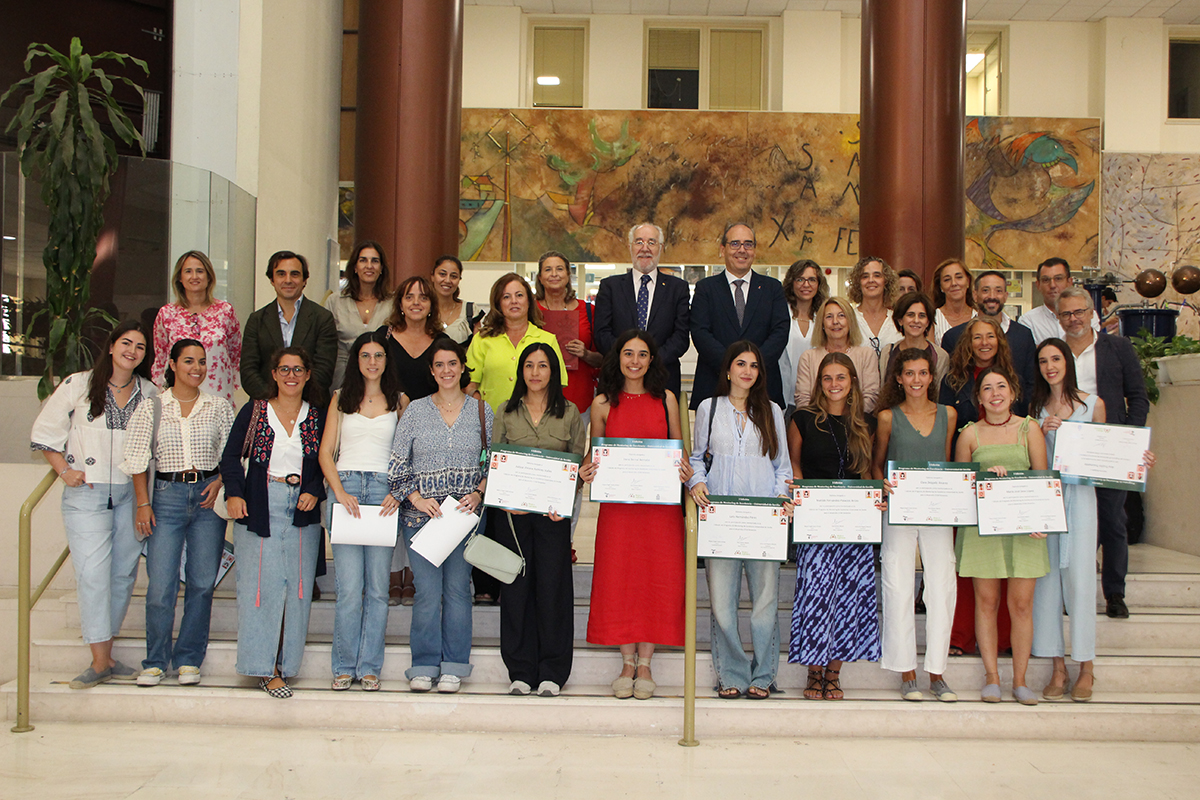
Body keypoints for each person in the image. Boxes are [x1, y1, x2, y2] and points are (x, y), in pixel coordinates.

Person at [31, 320, 157, 689]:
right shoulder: (79, 383)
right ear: (112, 345)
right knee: (92, 575)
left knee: (122, 576)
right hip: (86, 494)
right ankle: (99, 661)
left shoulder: (149, 392)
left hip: (131, 496)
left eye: (140, 347)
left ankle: (107, 655)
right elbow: (45, 433)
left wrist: (144, 500)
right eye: (127, 343)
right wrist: (63, 471)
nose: (132, 351)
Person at [121, 338, 233, 687]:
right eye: (188, 361)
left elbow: (231, 454)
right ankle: (155, 660)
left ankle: (188, 659)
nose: (196, 368)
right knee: (161, 586)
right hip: (165, 498)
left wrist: (220, 482)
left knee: (201, 584)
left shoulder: (219, 406)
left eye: (202, 362)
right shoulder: (152, 407)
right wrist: (143, 503)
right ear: (171, 364)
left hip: (206, 499)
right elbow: (138, 458)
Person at [586, 330, 691, 699]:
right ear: (618, 358)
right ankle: (626, 660)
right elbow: (593, 455)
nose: (635, 361)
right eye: (628, 354)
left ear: (651, 360)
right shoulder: (601, 402)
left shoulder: (667, 400)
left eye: (642, 354)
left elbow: (680, 451)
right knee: (621, 577)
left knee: (656, 578)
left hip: (659, 510)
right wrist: (587, 469)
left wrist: (683, 469)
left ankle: (645, 662)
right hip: (619, 511)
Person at [687, 341, 791, 699]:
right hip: (722, 518)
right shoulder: (708, 408)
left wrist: (782, 497)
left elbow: (783, 468)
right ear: (728, 370)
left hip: (763, 518)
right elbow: (697, 457)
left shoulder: (773, 410)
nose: (748, 371)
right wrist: (697, 481)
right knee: (722, 603)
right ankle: (730, 673)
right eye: (741, 364)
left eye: (754, 366)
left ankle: (763, 675)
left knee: (764, 603)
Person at [388, 339, 492, 694]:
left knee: (459, 591)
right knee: (428, 594)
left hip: (464, 517)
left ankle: (454, 666)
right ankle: (424, 664)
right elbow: (397, 463)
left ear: (463, 368)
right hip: (423, 519)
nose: (447, 371)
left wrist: (478, 492)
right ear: (431, 371)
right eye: (439, 365)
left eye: (453, 364)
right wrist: (415, 498)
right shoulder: (415, 411)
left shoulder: (482, 411)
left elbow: (493, 462)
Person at [221, 346, 326, 697]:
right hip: (259, 505)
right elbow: (231, 456)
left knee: (296, 590)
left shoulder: (318, 416)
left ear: (308, 375)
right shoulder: (254, 412)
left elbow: (327, 459)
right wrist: (234, 494)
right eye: (284, 369)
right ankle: (262, 668)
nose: (291, 376)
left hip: (302, 507)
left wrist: (314, 489)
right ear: (274, 374)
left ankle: (286, 665)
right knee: (259, 590)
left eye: (298, 370)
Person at [492, 342, 595, 697]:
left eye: (543, 366)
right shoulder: (506, 411)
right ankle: (520, 670)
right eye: (529, 366)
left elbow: (577, 469)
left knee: (553, 592)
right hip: (514, 517)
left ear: (554, 371)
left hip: (553, 518)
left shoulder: (569, 412)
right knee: (517, 591)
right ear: (521, 371)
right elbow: (495, 461)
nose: (535, 373)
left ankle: (553, 670)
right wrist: (505, 502)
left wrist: (564, 503)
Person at [466, 273, 567, 604]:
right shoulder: (483, 339)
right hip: (495, 432)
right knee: (495, 509)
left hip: (537, 436)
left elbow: (558, 386)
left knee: (530, 514)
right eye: (506, 296)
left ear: (529, 300)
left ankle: (527, 580)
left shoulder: (545, 338)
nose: (513, 301)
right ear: (497, 302)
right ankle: (487, 583)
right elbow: (471, 384)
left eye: (519, 295)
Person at [953, 366, 1050, 705]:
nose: (995, 393)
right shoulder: (969, 435)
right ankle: (992, 676)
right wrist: (984, 480)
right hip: (983, 531)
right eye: (987, 389)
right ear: (978, 398)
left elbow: (1043, 479)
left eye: (1001, 387)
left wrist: (1042, 518)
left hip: (1025, 530)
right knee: (987, 602)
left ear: (1013, 393)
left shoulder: (1030, 429)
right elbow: (960, 489)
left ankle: (1020, 681)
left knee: (1021, 605)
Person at [787, 352, 881, 701]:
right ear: (819, 383)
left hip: (856, 528)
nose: (834, 384)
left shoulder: (867, 423)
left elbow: (871, 472)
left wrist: (876, 503)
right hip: (816, 526)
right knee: (815, 598)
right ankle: (814, 672)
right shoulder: (802, 418)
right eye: (827, 378)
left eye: (841, 377)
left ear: (853, 382)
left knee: (848, 600)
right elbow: (794, 467)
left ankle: (834, 672)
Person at [318, 330, 406, 692]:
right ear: (356, 360)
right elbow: (325, 453)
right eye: (366, 355)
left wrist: (399, 492)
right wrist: (338, 492)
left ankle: (369, 667)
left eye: (379, 356)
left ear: (387, 361)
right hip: (348, 491)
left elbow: (409, 453)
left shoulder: (401, 401)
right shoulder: (341, 398)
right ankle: (343, 665)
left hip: (384, 492)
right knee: (350, 588)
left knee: (377, 590)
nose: (372, 362)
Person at [1054, 287, 1149, 619]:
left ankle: (1114, 593)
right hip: (1067, 445)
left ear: (1092, 312)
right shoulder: (1055, 351)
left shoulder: (1118, 348)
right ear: (1058, 317)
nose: (1073, 319)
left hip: (1110, 445)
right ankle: (1071, 592)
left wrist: (1132, 440)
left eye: (1079, 312)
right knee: (1072, 521)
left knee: (1112, 519)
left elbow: (1138, 396)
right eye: (1066, 314)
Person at [871, 348, 959, 702]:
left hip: (938, 512)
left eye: (923, 373)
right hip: (899, 511)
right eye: (909, 373)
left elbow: (950, 461)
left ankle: (937, 672)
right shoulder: (887, 418)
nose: (917, 380)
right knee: (898, 585)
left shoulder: (949, 415)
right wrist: (883, 485)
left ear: (931, 377)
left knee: (941, 585)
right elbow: (878, 465)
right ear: (898, 378)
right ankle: (906, 670)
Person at [941, 317, 1024, 656]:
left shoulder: (1011, 377)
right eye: (977, 337)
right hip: (967, 470)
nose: (984, 342)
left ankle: (1005, 640)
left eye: (991, 336)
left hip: (1008, 485)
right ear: (968, 342)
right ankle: (961, 636)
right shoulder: (953, 379)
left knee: (1005, 565)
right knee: (969, 566)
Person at [689, 222, 790, 408]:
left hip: (763, 387)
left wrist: (753, 367)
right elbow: (700, 332)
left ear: (754, 250)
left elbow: (780, 332)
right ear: (723, 249)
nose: (742, 250)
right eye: (735, 244)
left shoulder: (772, 288)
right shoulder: (706, 289)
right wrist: (732, 367)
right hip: (715, 383)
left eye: (748, 244)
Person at [592, 222, 691, 396]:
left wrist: (649, 361)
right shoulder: (610, 287)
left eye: (651, 242)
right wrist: (629, 359)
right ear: (630, 247)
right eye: (639, 242)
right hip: (617, 380)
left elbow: (681, 337)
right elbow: (601, 333)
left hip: (663, 378)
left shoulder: (678, 288)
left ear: (660, 248)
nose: (645, 248)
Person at [241, 250, 338, 407]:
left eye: (294, 274)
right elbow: (248, 371)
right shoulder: (256, 320)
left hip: (311, 407)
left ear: (304, 280)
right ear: (272, 280)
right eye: (281, 274)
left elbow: (324, 372)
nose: (288, 280)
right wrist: (275, 402)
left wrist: (295, 400)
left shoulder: (322, 318)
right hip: (266, 408)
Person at [151, 251, 242, 404]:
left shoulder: (225, 311)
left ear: (209, 277)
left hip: (217, 393)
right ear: (180, 278)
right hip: (178, 395)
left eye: (200, 271)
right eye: (188, 271)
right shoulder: (166, 314)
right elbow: (160, 358)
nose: (194, 276)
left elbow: (235, 354)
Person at [942, 270, 1036, 405]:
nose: (992, 296)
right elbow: (950, 388)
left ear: (1005, 296)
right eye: (986, 290)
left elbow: (1030, 385)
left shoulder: (1023, 335)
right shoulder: (953, 337)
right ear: (975, 295)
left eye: (998, 291)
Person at [535, 250, 602, 414]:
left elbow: (603, 358)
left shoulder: (588, 310)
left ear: (568, 275)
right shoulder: (531, 311)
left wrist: (585, 354)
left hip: (579, 397)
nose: (554, 274)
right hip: (539, 396)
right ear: (540, 277)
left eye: (559, 269)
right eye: (548, 269)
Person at [324, 240, 393, 390]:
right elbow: (325, 344)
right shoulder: (335, 301)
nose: (369, 266)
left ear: (381, 268)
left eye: (375, 261)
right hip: (342, 376)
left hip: (380, 377)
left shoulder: (393, 303)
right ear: (355, 267)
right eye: (363, 260)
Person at [794, 296, 880, 413]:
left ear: (850, 321)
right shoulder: (808, 357)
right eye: (829, 317)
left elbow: (872, 396)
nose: (835, 322)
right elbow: (803, 399)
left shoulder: (866, 355)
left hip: (857, 425)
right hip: (817, 425)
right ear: (822, 323)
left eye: (841, 316)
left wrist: (846, 419)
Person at [378, 275, 441, 402]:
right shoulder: (384, 336)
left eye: (423, 298)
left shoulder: (442, 342)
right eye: (409, 297)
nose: (416, 302)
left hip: (430, 416)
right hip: (389, 413)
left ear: (431, 306)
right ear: (400, 305)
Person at [778, 259, 827, 417]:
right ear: (791, 283)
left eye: (812, 279)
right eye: (800, 279)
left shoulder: (824, 317)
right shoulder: (780, 314)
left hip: (816, 400)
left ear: (819, 284)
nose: (806, 285)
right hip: (783, 397)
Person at [878, 292, 949, 392]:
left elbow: (938, 395)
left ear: (928, 322)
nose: (916, 320)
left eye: (922, 316)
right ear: (900, 320)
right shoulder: (888, 352)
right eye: (910, 315)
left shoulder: (940, 356)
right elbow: (883, 390)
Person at [1019, 257, 1101, 344]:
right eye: (1046, 280)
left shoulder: (1087, 315)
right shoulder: (1028, 321)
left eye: (1058, 279)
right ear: (1038, 285)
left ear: (1069, 282)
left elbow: (1093, 347)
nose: (1052, 285)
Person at [848, 255, 903, 364]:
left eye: (877, 275)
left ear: (886, 281)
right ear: (858, 283)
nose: (871, 280)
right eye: (865, 276)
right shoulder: (849, 319)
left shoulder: (897, 319)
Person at [431, 254, 487, 344]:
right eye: (442, 274)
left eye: (453, 276)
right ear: (432, 276)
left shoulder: (470, 311)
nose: (447, 280)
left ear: (459, 280)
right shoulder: (423, 310)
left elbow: (477, 348)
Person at [930, 259, 977, 345]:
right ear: (941, 287)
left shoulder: (979, 317)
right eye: (947, 279)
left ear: (968, 282)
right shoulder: (932, 319)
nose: (954, 283)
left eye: (959, 277)